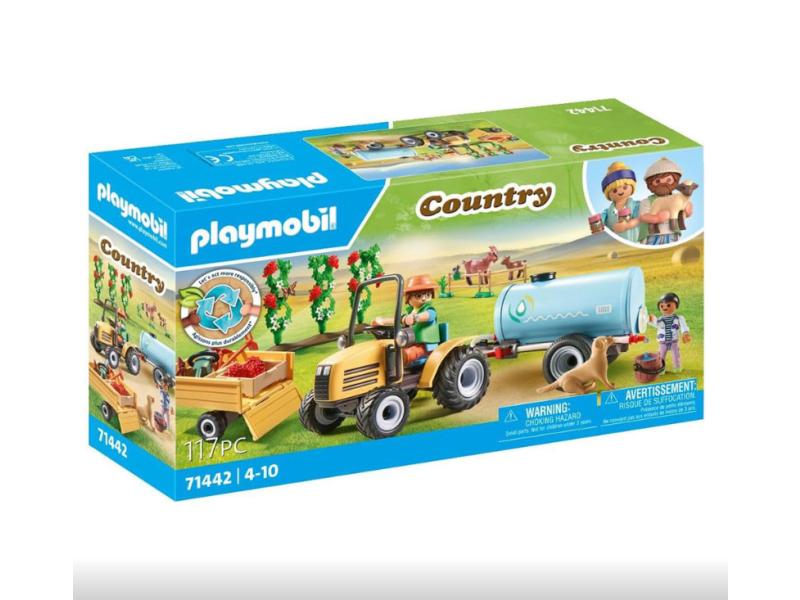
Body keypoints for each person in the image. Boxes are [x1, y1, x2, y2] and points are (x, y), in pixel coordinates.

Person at [373, 274, 440, 367]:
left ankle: (401, 366)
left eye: (428, 295)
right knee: (390, 349)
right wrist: (382, 321)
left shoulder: (429, 310)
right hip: (411, 341)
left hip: (426, 345)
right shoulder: (410, 312)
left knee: (406, 354)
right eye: (419, 296)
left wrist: (416, 318)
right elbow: (398, 319)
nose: (424, 298)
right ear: (408, 299)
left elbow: (429, 316)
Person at [639, 157, 695, 245]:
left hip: (672, 235)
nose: (663, 184)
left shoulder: (678, 198)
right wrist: (656, 218)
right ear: (650, 184)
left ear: (675, 181)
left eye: (668, 180)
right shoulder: (647, 201)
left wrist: (688, 210)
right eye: (658, 181)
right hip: (653, 236)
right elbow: (643, 217)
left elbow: (685, 214)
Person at [648, 292, 691, 373]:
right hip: (663, 341)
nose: (665, 308)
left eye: (668, 305)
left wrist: (685, 333)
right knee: (661, 355)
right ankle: (661, 369)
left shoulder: (678, 318)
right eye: (662, 306)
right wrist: (650, 319)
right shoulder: (660, 319)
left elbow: (683, 326)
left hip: (673, 341)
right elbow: (656, 324)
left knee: (676, 354)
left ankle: (677, 367)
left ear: (676, 305)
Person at [600, 161, 641, 242]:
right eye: (614, 190)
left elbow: (642, 219)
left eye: (625, 187)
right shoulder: (607, 213)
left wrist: (627, 225)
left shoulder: (637, 206)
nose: (620, 191)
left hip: (633, 242)